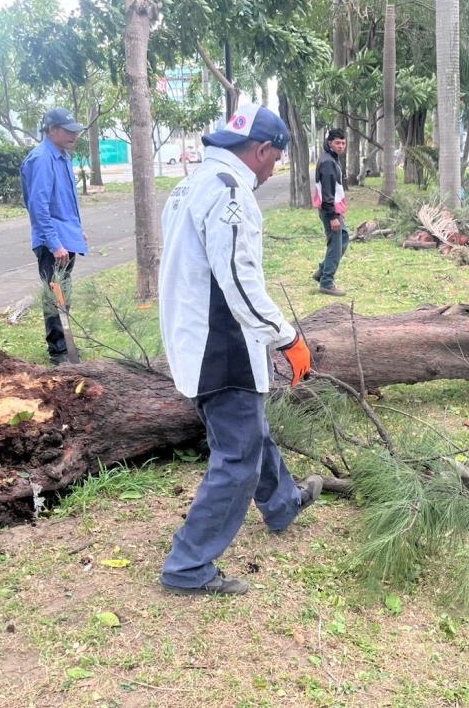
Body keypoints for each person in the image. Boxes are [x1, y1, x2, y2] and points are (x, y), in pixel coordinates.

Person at [158, 104, 323, 596]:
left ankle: (283, 503)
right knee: (237, 457)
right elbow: (238, 280)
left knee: (250, 432)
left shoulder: (190, 185)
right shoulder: (230, 194)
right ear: (261, 150)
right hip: (220, 343)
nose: (274, 170)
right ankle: (189, 566)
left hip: (196, 338)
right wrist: (288, 337)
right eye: (276, 159)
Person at [21, 107, 88, 365]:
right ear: (51, 130)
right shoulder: (41, 159)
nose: (75, 135)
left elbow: (64, 201)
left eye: (76, 131)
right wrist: (55, 243)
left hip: (66, 237)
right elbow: (38, 207)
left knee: (63, 294)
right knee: (55, 295)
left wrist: (77, 231)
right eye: (68, 131)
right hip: (54, 243)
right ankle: (59, 351)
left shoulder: (62, 156)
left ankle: (66, 347)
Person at [312, 128, 349, 296]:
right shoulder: (328, 162)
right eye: (337, 143)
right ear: (329, 144)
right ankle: (326, 282)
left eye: (343, 142)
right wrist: (333, 216)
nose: (341, 146)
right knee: (335, 245)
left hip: (333, 209)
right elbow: (327, 192)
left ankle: (322, 270)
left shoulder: (332, 159)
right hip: (329, 211)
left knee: (344, 238)